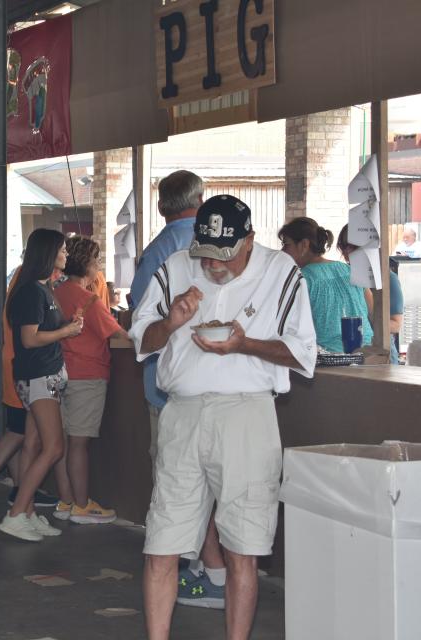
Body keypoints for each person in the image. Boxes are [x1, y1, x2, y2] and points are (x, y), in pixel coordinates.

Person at [130, 195, 317, 640]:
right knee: (161, 544)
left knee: (242, 549)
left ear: (249, 241)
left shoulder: (281, 273)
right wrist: (172, 321)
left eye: (223, 258)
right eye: (206, 256)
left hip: (247, 415)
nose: (212, 268)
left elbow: (303, 353)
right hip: (183, 413)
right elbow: (143, 339)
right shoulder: (175, 266)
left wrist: (245, 344)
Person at [129, 171, 226, 607]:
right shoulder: (230, 249)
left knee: (178, 487)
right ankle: (214, 570)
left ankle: (207, 570)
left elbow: (140, 319)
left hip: (173, 391)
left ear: (163, 204)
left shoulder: (158, 251)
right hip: (226, 390)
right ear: (200, 200)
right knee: (214, 484)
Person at [0, 228, 82, 542]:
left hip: (44, 375)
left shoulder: (43, 289)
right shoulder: (31, 291)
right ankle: (17, 512)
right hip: (38, 377)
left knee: (34, 446)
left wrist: (67, 325)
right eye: (62, 249)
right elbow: (29, 338)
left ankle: (28, 511)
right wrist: (67, 332)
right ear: (48, 253)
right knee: (54, 447)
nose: (66, 254)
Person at [0, 266, 59, 514]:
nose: (65, 254)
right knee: (21, 431)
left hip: (19, 363)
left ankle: (21, 489)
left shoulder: (32, 281)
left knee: (24, 433)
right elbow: (23, 331)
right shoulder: (29, 282)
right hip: (23, 365)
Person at [54, 236, 128, 525]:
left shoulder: (56, 293)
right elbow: (120, 335)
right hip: (87, 376)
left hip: (59, 373)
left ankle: (66, 500)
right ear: (86, 265)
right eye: (96, 261)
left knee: (61, 442)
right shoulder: (90, 300)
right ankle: (82, 505)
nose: (98, 268)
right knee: (79, 444)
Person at [279, 217, 373, 353]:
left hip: (330, 359)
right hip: (367, 353)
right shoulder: (350, 270)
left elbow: (287, 326)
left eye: (286, 244)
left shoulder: (301, 278)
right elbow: (372, 311)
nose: (282, 251)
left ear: (304, 245)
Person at [338, 225, 404, 363]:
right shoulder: (345, 276)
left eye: (353, 247)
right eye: (344, 247)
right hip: (353, 351)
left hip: (381, 350)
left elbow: (396, 325)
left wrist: (368, 322)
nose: (347, 253)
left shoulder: (387, 278)